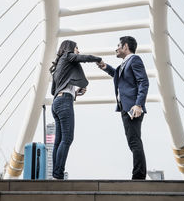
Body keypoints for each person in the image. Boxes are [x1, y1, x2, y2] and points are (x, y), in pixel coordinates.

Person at [97, 36, 149, 180]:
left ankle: (138, 177)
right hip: (126, 108)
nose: (116, 48)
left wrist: (138, 105)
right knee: (133, 141)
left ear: (125, 46)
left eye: (118, 45)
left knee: (134, 141)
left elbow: (143, 82)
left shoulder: (135, 60)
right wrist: (105, 67)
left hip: (133, 107)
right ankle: (138, 175)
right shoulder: (124, 65)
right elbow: (118, 76)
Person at [49, 40, 102, 180]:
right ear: (70, 48)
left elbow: (53, 90)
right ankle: (58, 174)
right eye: (76, 47)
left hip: (56, 103)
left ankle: (56, 174)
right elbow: (84, 58)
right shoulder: (68, 56)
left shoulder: (59, 65)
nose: (78, 50)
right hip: (65, 102)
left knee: (59, 141)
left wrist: (75, 91)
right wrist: (98, 59)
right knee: (67, 139)